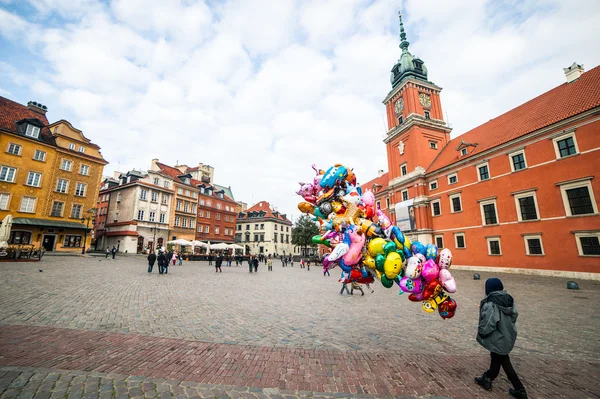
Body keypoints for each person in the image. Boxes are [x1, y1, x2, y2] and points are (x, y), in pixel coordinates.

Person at [475, 278, 527, 399]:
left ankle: (520, 389)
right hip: (507, 334)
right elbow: (514, 316)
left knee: (503, 360)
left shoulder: (492, 303)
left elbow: (489, 322)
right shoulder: (508, 299)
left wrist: (482, 332)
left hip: (498, 337)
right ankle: (487, 378)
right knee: (497, 358)